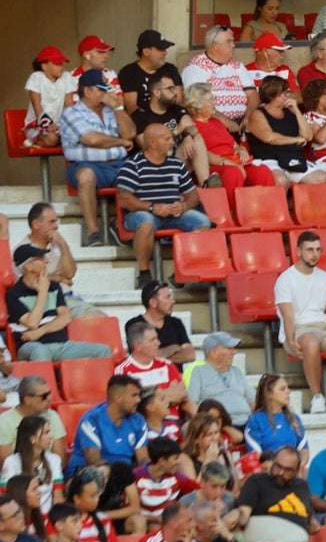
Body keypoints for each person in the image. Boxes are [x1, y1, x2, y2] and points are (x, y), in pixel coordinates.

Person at [112, 122, 210, 288]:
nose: (172, 142)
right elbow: (123, 198)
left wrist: (184, 206)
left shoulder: (176, 164)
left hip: (173, 212)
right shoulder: (133, 164)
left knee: (204, 223)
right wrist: (152, 207)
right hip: (142, 212)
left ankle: (181, 271)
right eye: (167, 139)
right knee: (146, 223)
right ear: (152, 143)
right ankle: (144, 274)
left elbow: (193, 195)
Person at [274, 231, 326, 412]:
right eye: (309, 250)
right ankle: (317, 397)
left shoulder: (325, 277)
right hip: (299, 329)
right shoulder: (285, 279)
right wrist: (291, 340)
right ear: (298, 251)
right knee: (311, 342)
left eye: (317, 250)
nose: (315, 254)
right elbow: (288, 316)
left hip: (324, 328)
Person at [59, 68, 131, 247]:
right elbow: (92, 139)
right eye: (100, 89)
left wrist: (117, 107)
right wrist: (120, 141)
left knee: (142, 172)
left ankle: (121, 225)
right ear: (87, 91)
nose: (105, 93)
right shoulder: (71, 113)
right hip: (87, 165)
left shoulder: (112, 111)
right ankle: (93, 232)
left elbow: (130, 133)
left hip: (119, 164)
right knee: (86, 176)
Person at [7, 244, 110, 362]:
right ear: (28, 266)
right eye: (40, 258)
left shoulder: (54, 286)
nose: (47, 260)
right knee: (41, 352)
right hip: (30, 347)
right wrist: (42, 292)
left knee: (103, 351)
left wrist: (41, 331)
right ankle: (42, 381)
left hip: (60, 345)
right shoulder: (13, 294)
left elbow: (65, 318)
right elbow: (33, 323)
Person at [233, 447, 316, 542]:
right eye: (278, 466)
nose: (280, 473)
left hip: (298, 538)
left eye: (288, 470)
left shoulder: (303, 486)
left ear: (297, 471)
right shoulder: (256, 481)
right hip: (264, 532)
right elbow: (244, 514)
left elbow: (310, 519)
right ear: (273, 462)